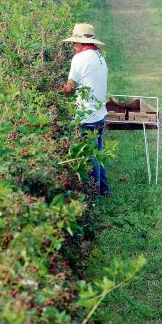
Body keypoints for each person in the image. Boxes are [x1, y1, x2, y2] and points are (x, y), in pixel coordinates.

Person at [61, 23, 109, 196]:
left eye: (75, 44)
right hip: (100, 113)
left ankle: (94, 196)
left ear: (80, 43)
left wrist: (57, 90)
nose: (73, 47)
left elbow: (69, 88)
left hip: (87, 117)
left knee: (90, 158)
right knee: (99, 155)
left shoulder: (79, 59)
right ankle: (104, 191)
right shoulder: (98, 56)